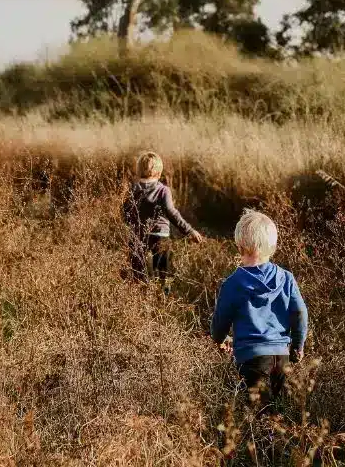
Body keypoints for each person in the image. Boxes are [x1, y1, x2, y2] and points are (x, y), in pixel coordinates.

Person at [211, 209, 308, 410]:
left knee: (258, 413)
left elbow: (220, 321)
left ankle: (263, 441)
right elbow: (299, 313)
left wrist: (220, 339)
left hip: (251, 358)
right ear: (272, 247)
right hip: (281, 355)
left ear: (239, 246)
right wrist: (298, 345)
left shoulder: (233, 283)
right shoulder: (286, 278)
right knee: (276, 411)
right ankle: (278, 440)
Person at [121, 151, 204, 293]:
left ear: (139, 170)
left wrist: (132, 224)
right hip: (160, 236)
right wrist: (189, 230)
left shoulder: (132, 189)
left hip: (138, 234)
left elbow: (125, 211)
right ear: (159, 173)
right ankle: (165, 294)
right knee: (164, 270)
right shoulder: (163, 190)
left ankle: (137, 294)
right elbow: (172, 213)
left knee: (136, 268)